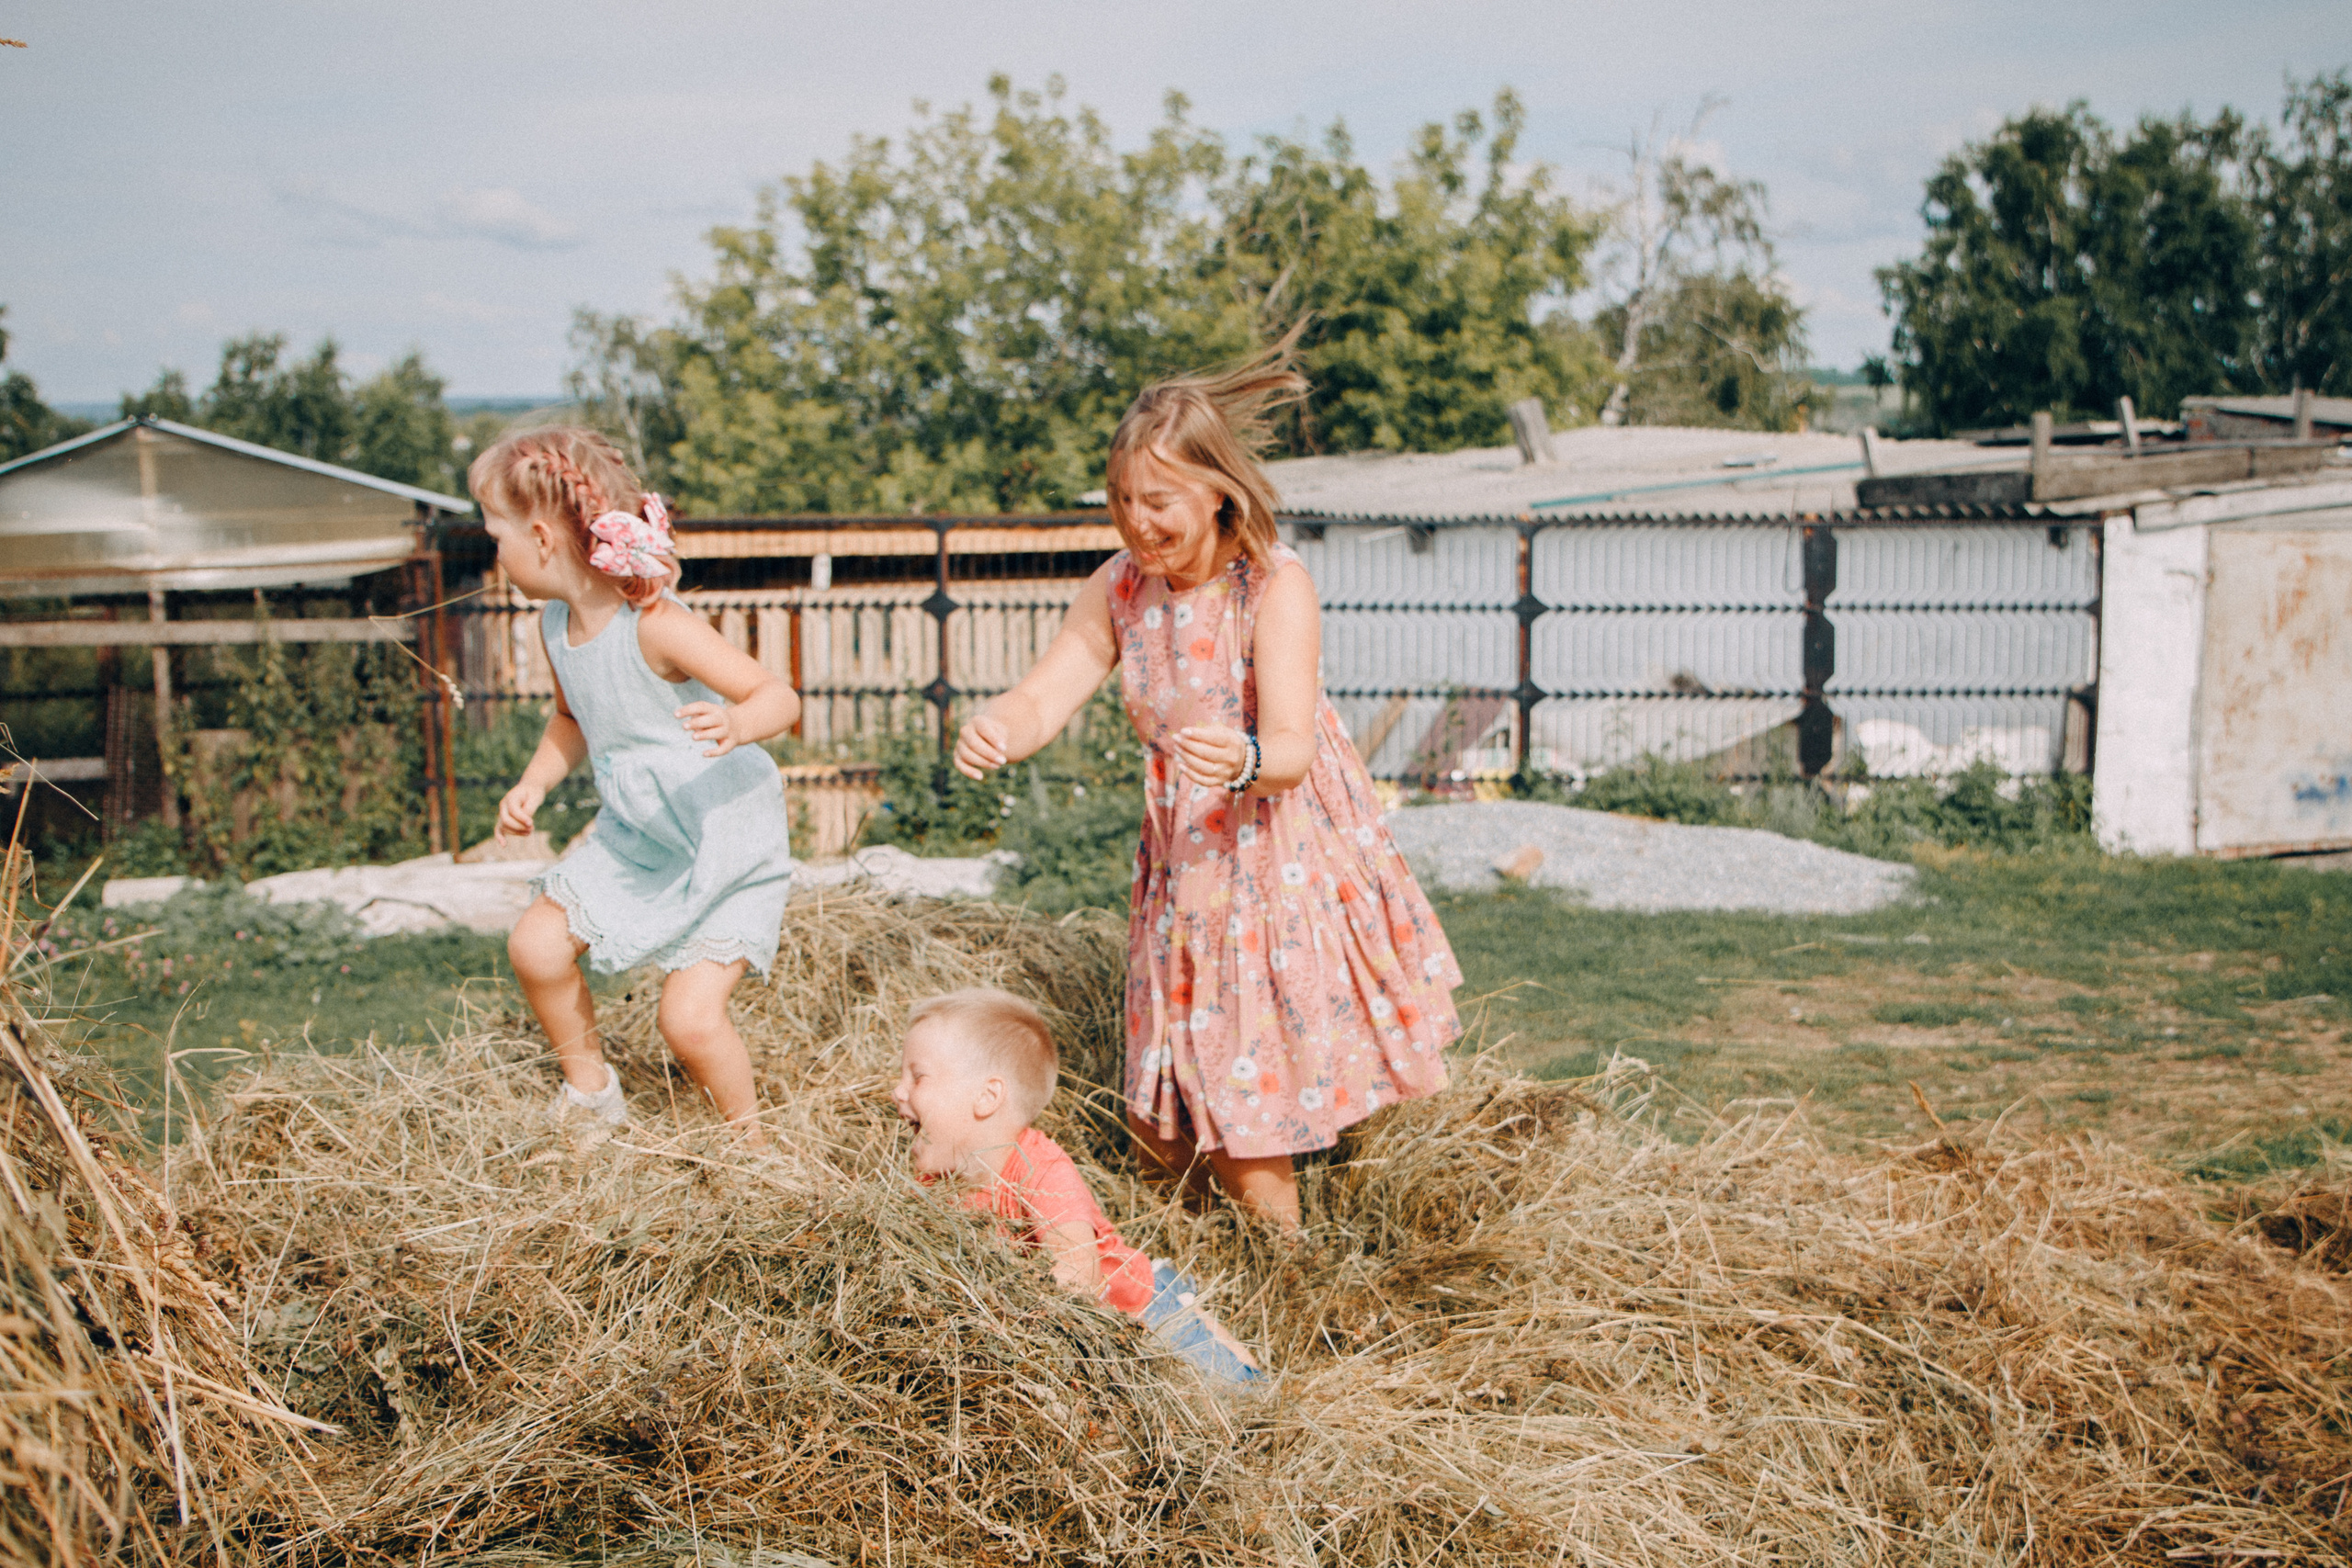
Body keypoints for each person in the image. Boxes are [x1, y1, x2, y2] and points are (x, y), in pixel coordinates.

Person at [953, 344, 1463, 1228]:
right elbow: (1049, 690)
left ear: (1217, 490)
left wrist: (1242, 759)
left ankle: (1293, 1277)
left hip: (1271, 856)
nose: (1136, 523)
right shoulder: (1119, 588)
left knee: (1247, 1121)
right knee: (1164, 1134)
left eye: (1157, 501)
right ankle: (1210, 1251)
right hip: (1180, 865)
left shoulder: (1273, 585)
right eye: (1121, 501)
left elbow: (1295, 747)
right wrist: (1002, 725)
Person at [474, 427, 800, 1144]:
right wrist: (532, 784)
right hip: (638, 834)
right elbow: (571, 718)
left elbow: (779, 696)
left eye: (493, 533)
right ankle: (592, 1092)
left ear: (539, 537)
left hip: (721, 836)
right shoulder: (555, 626)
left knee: (687, 1020)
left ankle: (756, 1146)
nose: (490, 551)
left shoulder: (657, 626)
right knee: (535, 945)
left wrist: (737, 722)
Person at [893, 988, 1261, 1384]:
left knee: (1238, 1392)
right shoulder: (932, 1186)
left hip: (1138, 1310)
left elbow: (1077, 1278)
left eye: (917, 1077)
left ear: (987, 1097)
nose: (896, 1091)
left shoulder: (1041, 1169)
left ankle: (1201, 1318)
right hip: (1073, 1340)